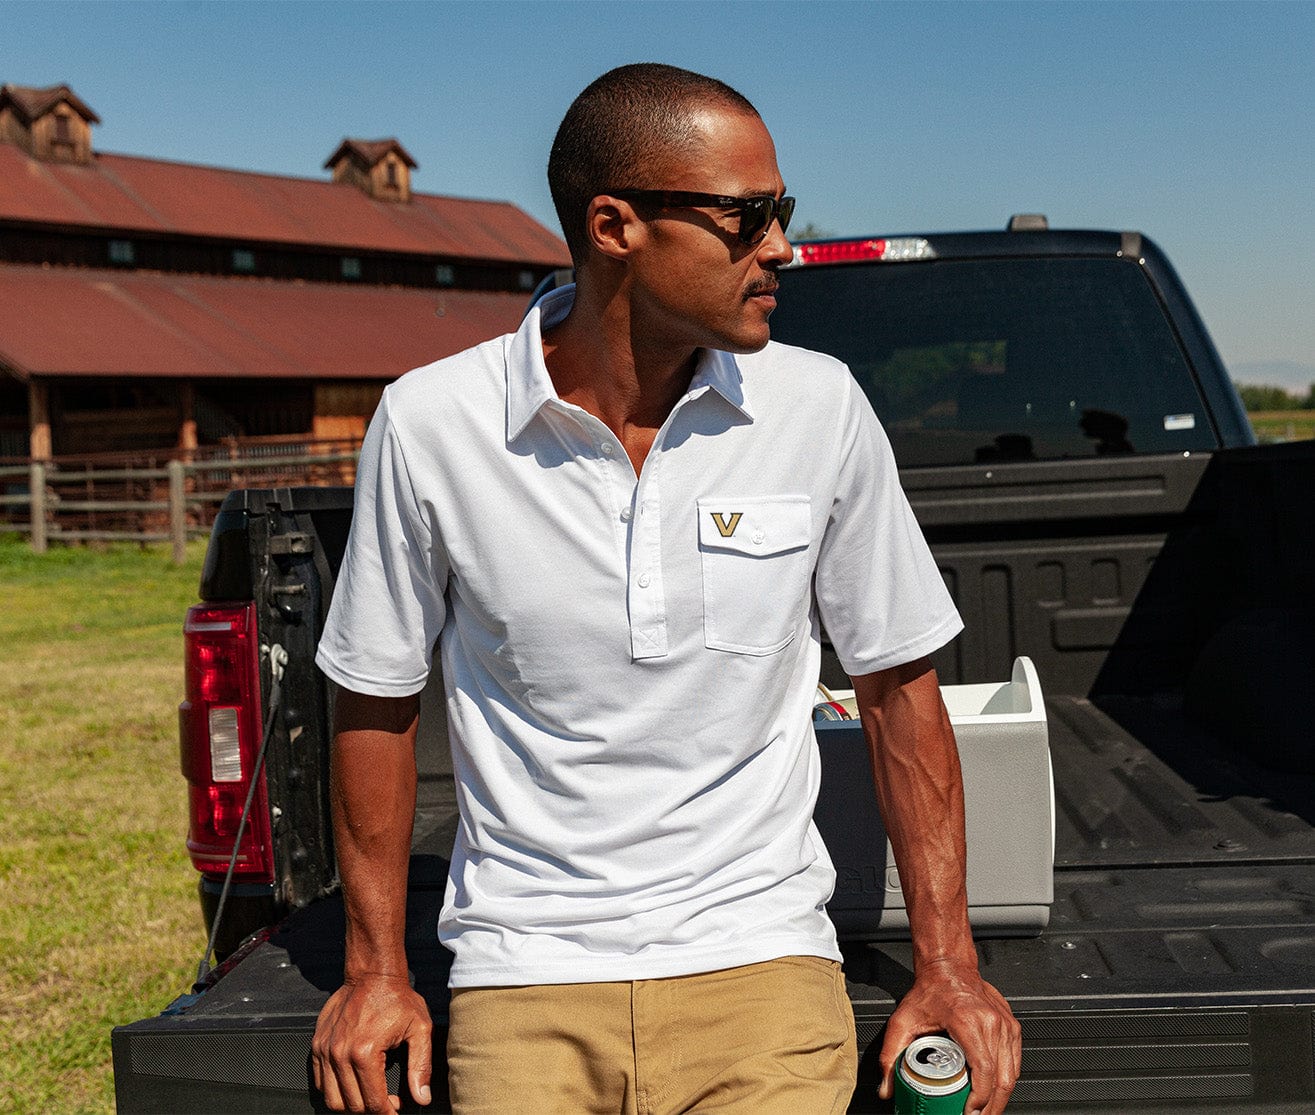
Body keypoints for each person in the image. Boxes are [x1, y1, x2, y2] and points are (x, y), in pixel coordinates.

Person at [310, 63, 1020, 1115]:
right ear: (614, 226)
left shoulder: (817, 406)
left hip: (763, 964)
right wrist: (376, 971)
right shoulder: (431, 424)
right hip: (524, 973)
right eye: (746, 216)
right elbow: (374, 697)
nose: (780, 246)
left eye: (782, 211)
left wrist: (949, 964)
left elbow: (895, 689)